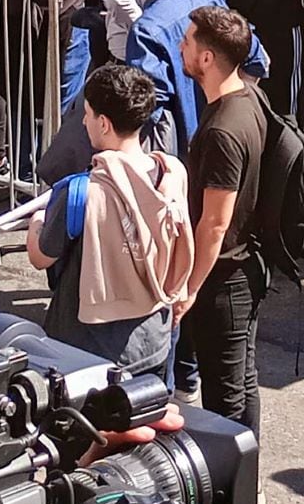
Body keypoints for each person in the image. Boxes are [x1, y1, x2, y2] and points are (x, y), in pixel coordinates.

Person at [28, 61, 193, 372]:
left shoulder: (81, 192)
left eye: (87, 114)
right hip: (154, 340)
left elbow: (41, 256)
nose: (84, 122)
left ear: (103, 123)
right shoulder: (172, 173)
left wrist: (37, 222)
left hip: (86, 349)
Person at [178, 5, 271, 432]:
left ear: (208, 59)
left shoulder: (221, 132)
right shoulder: (250, 97)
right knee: (242, 381)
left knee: (225, 398)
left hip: (225, 280)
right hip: (246, 267)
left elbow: (215, 223)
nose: (182, 47)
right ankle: (248, 489)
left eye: (188, 41)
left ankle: (235, 494)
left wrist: (189, 288)